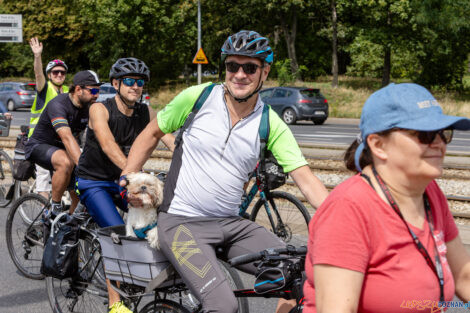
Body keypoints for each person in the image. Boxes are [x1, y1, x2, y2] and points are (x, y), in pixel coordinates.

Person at [120, 30, 329, 313]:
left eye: (250, 67)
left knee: (301, 275)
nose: (240, 74)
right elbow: (152, 131)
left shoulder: (270, 122)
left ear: (264, 72)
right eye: (233, 66)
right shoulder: (199, 97)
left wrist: (341, 215)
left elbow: (304, 177)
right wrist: (127, 177)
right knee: (222, 304)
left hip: (231, 224)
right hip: (181, 223)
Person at [303, 83, 470, 313]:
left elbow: (464, 277)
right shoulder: (348, 209)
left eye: (444, 133)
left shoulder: (431, 193)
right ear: (379, 145)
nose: (439, 143)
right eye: (425, 134)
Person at [75, 58, 174, 313]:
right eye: (129, 81)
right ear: (116, 83)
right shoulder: (100, 109)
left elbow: (170, 140)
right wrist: (132, 176)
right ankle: (114, 303)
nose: (135, 86)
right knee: (114, 232)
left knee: (162, 214)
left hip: (123, 180)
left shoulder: (146, 112)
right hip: (94, 181)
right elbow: (107, 144)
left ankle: (145, 272)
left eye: (140, 82)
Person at [25, 70, 103, 214]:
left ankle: (68, 229)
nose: (96, 95)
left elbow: (99, 135)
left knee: (81, 197)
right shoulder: (59, 104)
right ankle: (54, 207)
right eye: (93, 90)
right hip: (39, 146)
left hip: (62, 149)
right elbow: (67, 137)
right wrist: (84, 166)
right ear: (78, 89)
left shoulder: (89, 107)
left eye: (98, 91)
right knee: (66, 162)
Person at [28, 37, 69, 199]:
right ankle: (46, 213)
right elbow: (38, 74)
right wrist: (37, 56)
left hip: (60, 138)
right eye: (55, 72)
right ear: (49, 75)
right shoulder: (45, 88)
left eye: (62, 72)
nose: (59, 74)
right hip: (40, 140)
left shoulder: (67, 90)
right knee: (44, 174)